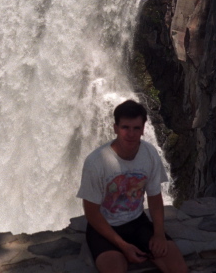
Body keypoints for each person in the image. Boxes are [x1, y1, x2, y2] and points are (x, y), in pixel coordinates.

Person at [77, 99, 188, 273]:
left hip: (137, 223)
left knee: (178, 268)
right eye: (125, 127)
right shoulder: (96, 162)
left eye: (136, 128)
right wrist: (123, 245)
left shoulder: (149, 153)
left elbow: (154, 196)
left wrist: (158, 234)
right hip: (104, 229)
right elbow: (91, 213)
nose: (131, 133)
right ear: (115, 128)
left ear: (143, 129)